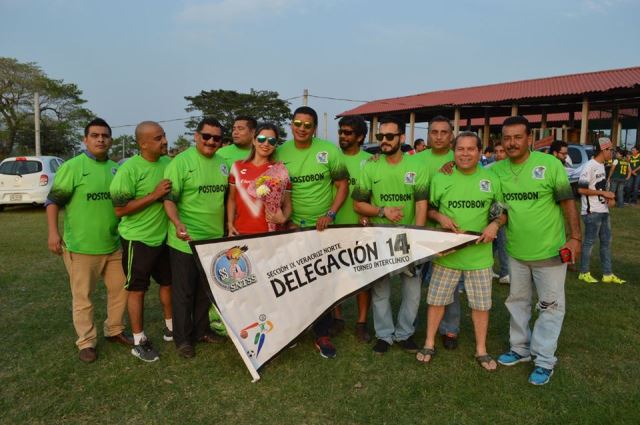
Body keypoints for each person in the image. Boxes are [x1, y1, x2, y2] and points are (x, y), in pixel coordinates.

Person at [492, 116, 581, 386]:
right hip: (516, 252)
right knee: (517, 301)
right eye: (507, 138)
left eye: (517, 137)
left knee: (550, 307)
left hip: (550, 252)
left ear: (529, 138)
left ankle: (544, 360)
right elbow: (491, 200)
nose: (512, 143)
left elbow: (568, 203)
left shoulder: (550, 165)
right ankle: (519, 348)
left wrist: (575, 237)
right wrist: (449, 164)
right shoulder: (496, 170)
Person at [417, 132, 505, 371]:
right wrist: (440, 217)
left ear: (479, 152)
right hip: (447, 256)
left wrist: (495, 225)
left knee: (481, 306)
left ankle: (481, 350)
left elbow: (501, 212)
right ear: (453, 152)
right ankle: (428, 343)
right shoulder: (441, 178)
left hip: (479, 257)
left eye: (470, 149)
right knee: (436, 302)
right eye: (460, 149)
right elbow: (430, 209)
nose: (465, 154)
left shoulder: (491, 179)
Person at [46, 118, 131, 363]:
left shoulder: (116, 169)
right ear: (85, 139)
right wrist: (53, 232)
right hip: (81, 247)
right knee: (83, 297)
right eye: (95, 135)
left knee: (121, 290)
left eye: (105, 135)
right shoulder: (73, 167)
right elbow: (53, 201)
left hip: (113, 245)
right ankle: (86, 342)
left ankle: (114, 330)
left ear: (111, 140)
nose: (100, 139)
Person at [275, 106, 349, 359]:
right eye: (298, 123)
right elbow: (272, 188)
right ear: (291, 125)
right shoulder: (280, 152)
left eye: (307, 125)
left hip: (321, 228)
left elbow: (342, 186)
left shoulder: (329, 151)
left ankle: (322, 334)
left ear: (314, 128)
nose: (302, 129)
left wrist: (330, 214)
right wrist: (285, 220)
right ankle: (293, 330)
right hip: (291, 227)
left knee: (321, 282)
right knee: (291, 280)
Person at [353, 115, 428, 355]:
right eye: (380, 136)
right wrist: (382, 211)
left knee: (412, 292)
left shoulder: (417, 166)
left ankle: (405, 334)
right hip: (379, 238)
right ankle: (384, 335)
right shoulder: (371, 166)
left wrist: (417, 238)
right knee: (381, 291)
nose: (383, 140)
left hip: (408, 239)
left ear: (401, 137)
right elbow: (358, 204)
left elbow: (421, 205)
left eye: (389, 136)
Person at [163, 117, 228, 359]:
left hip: (213, 241)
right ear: (196, 136)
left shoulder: (223, 164)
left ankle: (202, 331)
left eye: (216, 138)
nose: (211, 141)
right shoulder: (181, 162)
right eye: (206, 136)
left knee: (205, 291)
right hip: (185, 240)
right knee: (184, 293)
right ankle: (183, 340)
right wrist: (177, 223)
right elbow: (169, 200)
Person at [109, 121, 173, 362]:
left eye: (163, 136)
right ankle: (139, 341)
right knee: (137, 289)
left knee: (168, 283)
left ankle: (171, 328)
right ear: (143, 144)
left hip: (164, 238)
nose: (164, 141)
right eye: (158, 138)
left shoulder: (168, 164)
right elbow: (119, 209)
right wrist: (154, 195)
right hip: (138, 239)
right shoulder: (129, 170)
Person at [415, 115, 460, 350]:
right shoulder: (415, 159)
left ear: (451, 135)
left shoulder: (461, 156)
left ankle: (449, 329)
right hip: (419, 230)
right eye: (434, 132)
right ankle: (411, 326)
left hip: (448, 232)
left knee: (450, 286)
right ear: (428, 135)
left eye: (444, 132)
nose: (439, 136)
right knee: (413, 282)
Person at [331, 115, 372, 343]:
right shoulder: (332, 157)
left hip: (360, 227)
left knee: (362, 277)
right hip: (333, 226)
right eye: (341, 132)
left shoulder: (370, 160)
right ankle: (337, 318)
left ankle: (362, 322)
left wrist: (368, 216)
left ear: (360, 137)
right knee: (335, 276)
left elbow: (373, 193)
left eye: (348, 133)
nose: (343, 136)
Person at [226, 122, 291, 236]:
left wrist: (283, 218)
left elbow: (287, 203)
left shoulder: (280, 170)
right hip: (240, 232)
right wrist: (230, 224)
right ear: (254, 141)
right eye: (261, 139)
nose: (266, 144)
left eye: (271, 141)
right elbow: (232, 199)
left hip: (269, 234)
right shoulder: (237, 166)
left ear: (275, 144)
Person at [577, 138, 626, 285]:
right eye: (610, 150)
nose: (612, 152)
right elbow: (581, 189)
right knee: (589, 243)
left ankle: (607, 274)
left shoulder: (602, 166)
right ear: (603, 150)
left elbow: (600, 187)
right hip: (592, 212)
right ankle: (584, 273)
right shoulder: (589, 166)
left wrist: (608, 198)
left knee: (606, 243)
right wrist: (603, 193)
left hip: (603, 210)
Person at [486, 141, 509, 284]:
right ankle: (505, 272)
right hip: (496, 208)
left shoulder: (511, 168)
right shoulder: (489, 169)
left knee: (495, 242)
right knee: (502, 240)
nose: (499, 154)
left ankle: (489, 268)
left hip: (511, 207)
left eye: (502, 151)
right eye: (497, 152)